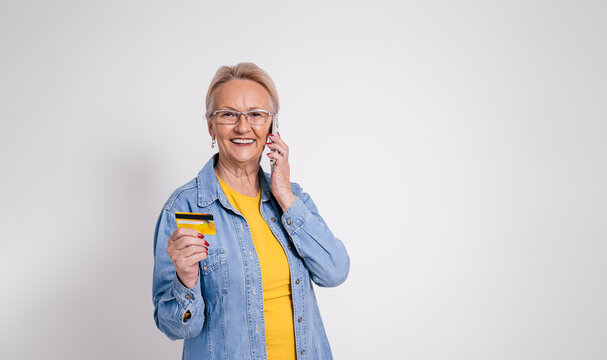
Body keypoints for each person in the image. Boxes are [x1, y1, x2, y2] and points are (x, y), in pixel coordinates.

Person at [152, 62, 350, 359]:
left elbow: (335, 272)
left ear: (272, 126)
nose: (243, 127)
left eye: (256, 115)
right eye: (228, 114)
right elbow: (176, 329)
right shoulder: (187, 208)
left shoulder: (292, 199)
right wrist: (185, 280)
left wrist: (283, 194)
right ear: (210, 126)